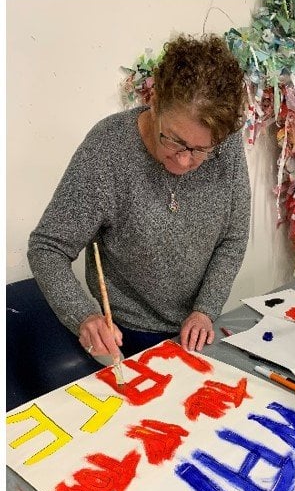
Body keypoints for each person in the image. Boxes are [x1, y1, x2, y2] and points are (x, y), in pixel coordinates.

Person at [28, 34, 250, 360]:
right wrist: (84, 316)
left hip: (195, 334)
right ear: (156, 101)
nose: (185, 161)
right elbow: (47, 248)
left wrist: (206, 309)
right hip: (124, 339)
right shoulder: (108, 150)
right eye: (173, 140)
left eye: (201, 150)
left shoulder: (226, 142)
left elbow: (233, 237)